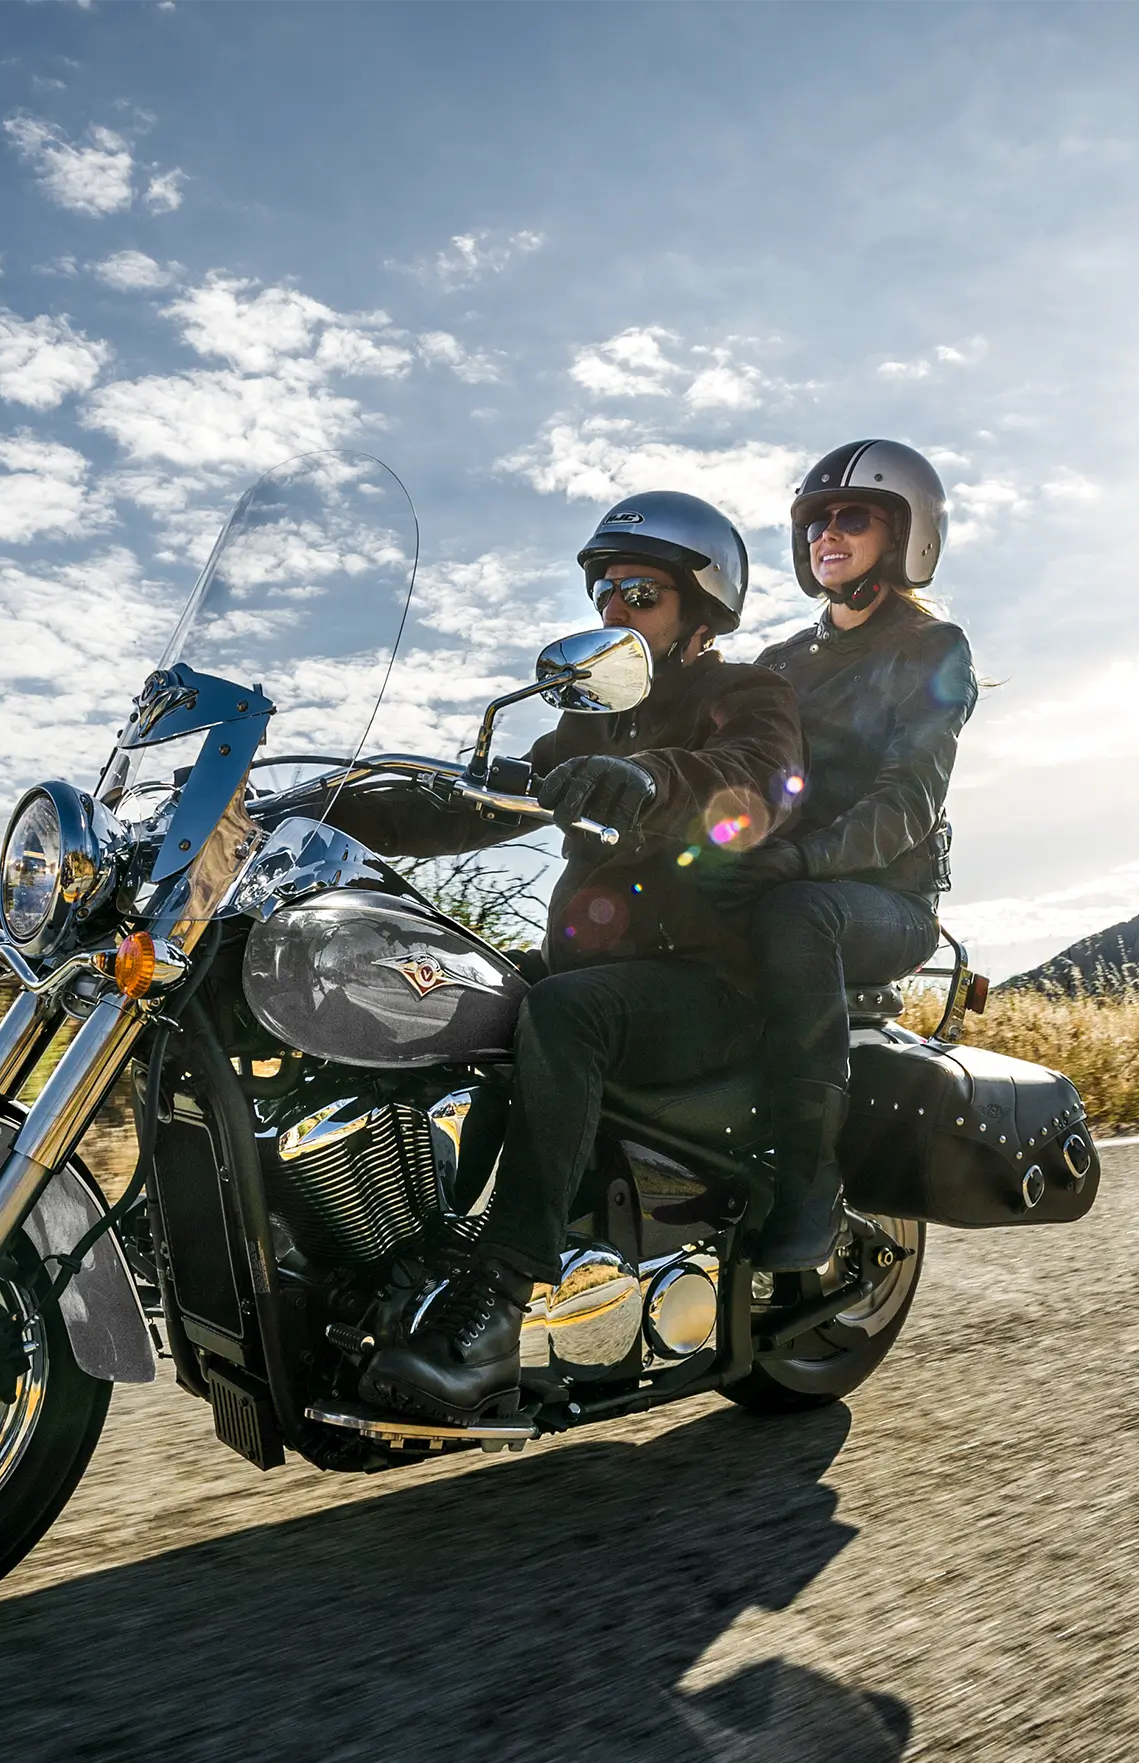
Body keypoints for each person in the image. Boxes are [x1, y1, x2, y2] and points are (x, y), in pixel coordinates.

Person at [325, 491, 803, 1423]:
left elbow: (754, 780)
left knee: (565, 1013)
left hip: (712, 983)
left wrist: (652, 782)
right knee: (445, 984)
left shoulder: (746, 694)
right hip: (599, 968)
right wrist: (327, 804)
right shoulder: (584, 722)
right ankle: (418, 1245)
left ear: (698, 614)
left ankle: (498, 1307)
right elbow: (470, 802)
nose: (615, 610)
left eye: (641, 593)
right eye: (606, 594)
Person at [730, 440, 978, 1269]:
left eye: (852, 517)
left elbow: (909, 797)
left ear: (905, 534)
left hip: (881, 902)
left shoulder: (930, 649)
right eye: (815, 522)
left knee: (799, 916)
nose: (826, 534)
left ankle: (807, 1177)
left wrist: (806, 861)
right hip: (781, 879)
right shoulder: (778, 665)